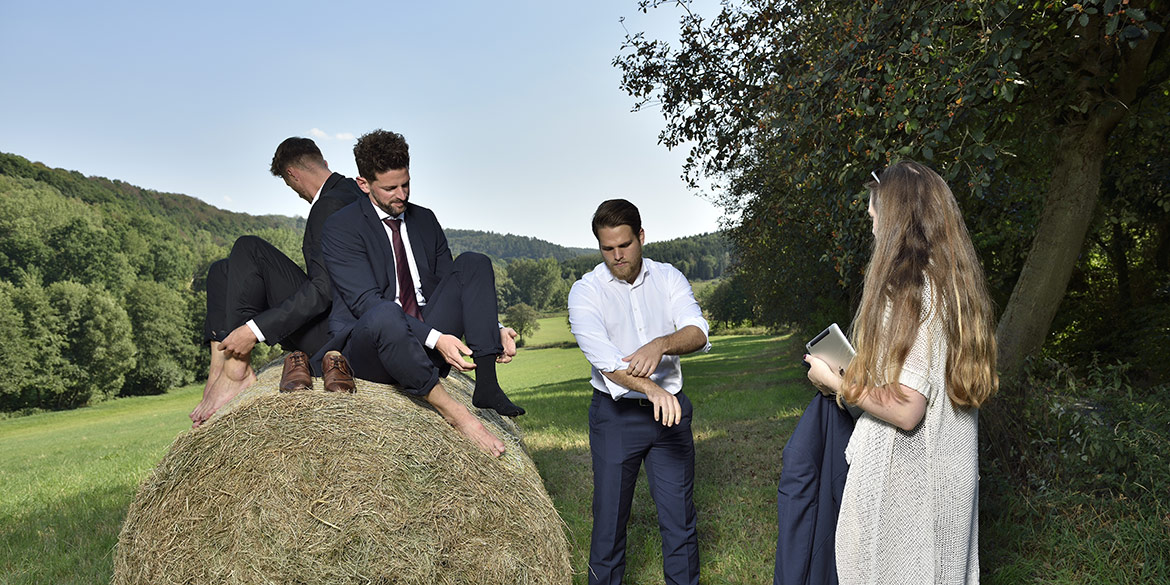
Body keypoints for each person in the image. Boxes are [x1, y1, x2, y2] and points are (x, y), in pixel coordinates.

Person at [804, 161, 998, 584]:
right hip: (947, 482)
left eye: (875, 216)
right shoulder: (953, 286)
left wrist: (836, 381)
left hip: (906, 492)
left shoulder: (910, 293)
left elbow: (908, 408)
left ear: (895, 219)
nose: (872, 227)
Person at [318, 129, 523, 458]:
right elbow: (365, 303)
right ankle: (459, 417)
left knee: (473, 262)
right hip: (372, 346)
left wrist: (493, 328)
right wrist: (435, 338)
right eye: (390, 188)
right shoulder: (341, 227)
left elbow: (452, 283)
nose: (401, 195)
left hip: (425, 336)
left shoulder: (424, 219)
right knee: (385, 313)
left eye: (406, 184)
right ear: (364, 184)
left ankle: (487, 384)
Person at [567, 199, 710, 585]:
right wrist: (651, 388)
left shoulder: (668, 278)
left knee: (679, 522)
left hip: (671, 419)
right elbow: (606, 361)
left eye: (624, 246)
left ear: (641, 237)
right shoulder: (585, 292)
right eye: (607, 248)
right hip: (616, 419)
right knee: (609, 525)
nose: (617, 256)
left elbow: (698, 331)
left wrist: (660, 343)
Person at [190, 137, 362, 427]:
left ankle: (236, 371)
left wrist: (253, 331)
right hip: (341, 320)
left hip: (337, 336)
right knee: (222, 270)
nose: (294, 192)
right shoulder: (348, 192)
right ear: (324, 163)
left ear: (291, 175)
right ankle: (217, 372)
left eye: (287, 184)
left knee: (249, 247)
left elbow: (324, 291)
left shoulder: (328, 206)